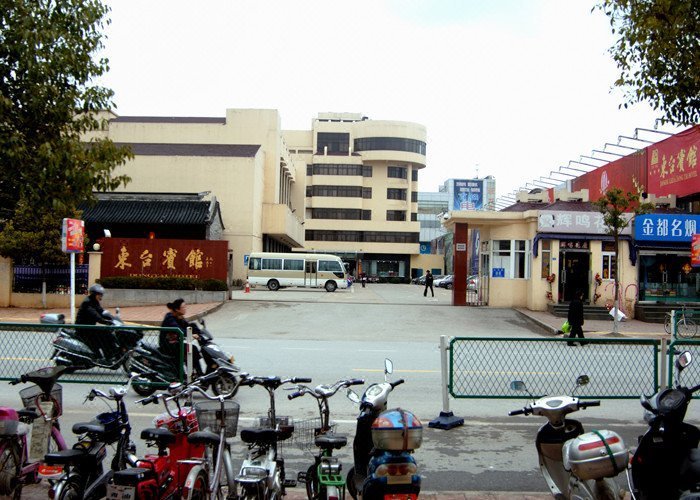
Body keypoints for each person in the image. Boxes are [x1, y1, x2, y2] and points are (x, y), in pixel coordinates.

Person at [75, 284, 120, 361]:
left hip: (90, 327)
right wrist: (106, 322)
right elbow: (96, 316)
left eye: (101, 294)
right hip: (84, 329)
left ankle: (109, 355)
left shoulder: (94, 302)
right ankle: (108, 356)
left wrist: (113, 318)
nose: (101, 296)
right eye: (99, 295)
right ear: (94, 294)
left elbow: (101, 311)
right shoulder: (87, 303)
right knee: (105, 334)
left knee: (107, 333)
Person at [161, 299, 203, 376]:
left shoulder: (179, 316)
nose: (185, 309)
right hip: (168, 345)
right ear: (177, 309)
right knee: (192, 349)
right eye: (183, 307)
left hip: (176, 343)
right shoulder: (170, 318)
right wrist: (190, 335)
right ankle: (198, 374)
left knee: (190, 349)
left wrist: (199, 332)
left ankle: (193, 373)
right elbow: (179, 329)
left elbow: (188, 326)